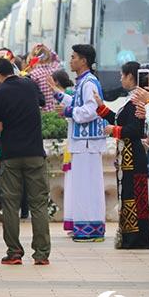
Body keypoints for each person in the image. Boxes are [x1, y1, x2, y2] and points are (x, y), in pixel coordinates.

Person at [0, 56, 51, 265]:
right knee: (38, 204)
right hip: (35, 153)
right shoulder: (30, 85)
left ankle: (14, 252)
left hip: (11, 155)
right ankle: (41, 254)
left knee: (11, 205)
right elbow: (42, 102)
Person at [94, 61, 149, 250]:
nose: (120, 78)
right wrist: (101, 107)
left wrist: (114, 130)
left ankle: (137, 238)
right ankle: (131, 236)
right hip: (128, 156)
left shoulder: (138, 99)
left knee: (134, 196)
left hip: (134, 156)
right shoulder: (131, 99)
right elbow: (120, 119)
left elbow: (135, 130)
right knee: (129, 195)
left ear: (130, 76)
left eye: (122, 75)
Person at [49, 44, 107, 242]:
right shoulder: (83, 82)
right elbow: (77, 104)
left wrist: (67, 112)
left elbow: (91, 110)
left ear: (83, 61)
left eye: (74, 57)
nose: (71, 60)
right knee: (83, 185)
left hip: (87, 142)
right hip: (83, 142)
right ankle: (85, 227)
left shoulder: (89, 83)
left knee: (87, 186)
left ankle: (90, 228)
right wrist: (58, 93)